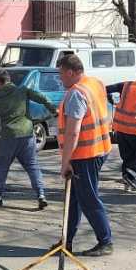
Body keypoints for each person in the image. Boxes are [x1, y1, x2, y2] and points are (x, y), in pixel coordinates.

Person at [53, 54, 114, 257]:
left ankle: (105, 241)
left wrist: (66, 162)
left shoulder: (76, 94)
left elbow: (73, 132)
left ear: (71, 72)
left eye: (61, 74)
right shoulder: (94, 83)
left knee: (87, 199)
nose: (59, 79)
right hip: (100, 148)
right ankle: (66, 240)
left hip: (85, 154)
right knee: (74, 198)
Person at [0, 70, 57, 209]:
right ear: (9, 79)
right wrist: (53, 110)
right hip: (27, 135)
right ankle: (41, 195)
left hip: (8, 137)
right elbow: (42, 97)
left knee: (2, 167)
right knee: (32, 166)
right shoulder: (23, 91)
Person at [107, 66, 136, 191]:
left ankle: (126, 184)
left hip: (119, 127)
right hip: (133, 129)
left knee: (128, 156)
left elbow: (107, 89)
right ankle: (130, 175)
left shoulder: (126, 85)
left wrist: (110, 99)